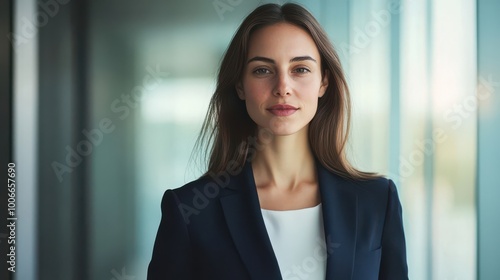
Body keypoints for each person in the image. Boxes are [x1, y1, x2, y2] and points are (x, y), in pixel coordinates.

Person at [148, 3, 408, 280]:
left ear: (324, 82)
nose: (283, 86)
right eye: (262, 70)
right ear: (240, 85)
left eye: (301, 69)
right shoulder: (190, 210)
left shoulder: (377, 201)